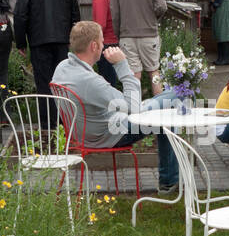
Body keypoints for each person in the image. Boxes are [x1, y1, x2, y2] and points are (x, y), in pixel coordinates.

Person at [52, 20, 179, 192]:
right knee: (176, 97)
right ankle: (168, 182)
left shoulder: (63, 67)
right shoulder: (89, 82)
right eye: (103, 41)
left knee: (166, 107)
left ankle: (169, 181)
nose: (105, 45)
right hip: (110, 134)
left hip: (87, 132)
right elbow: (134, 110)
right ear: (94, 46)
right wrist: (122, 64)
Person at [14, 0, 80, 125]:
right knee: (62, 81)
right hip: (62, 42)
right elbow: (75, 16)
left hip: (38, 42)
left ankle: (46, 123)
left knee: (43, 83)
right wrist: (74, 40)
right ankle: (63, 121)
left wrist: (21, 43)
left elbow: (20, 17)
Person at [110, 0, 168, 96]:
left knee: (134, 76)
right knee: (154, 73)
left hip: (127, 34)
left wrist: (119, 33)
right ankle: (161, 113)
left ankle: (135, 113)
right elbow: (162, 6)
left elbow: (114, 11)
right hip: (149, 33)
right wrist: (152, 18)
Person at [83, 0, 119, 87]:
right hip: (114, 39)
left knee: (107, 81)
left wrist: (93, 41)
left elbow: (100, 24)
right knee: (112, 78)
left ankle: (110, 106)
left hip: (105, 42)